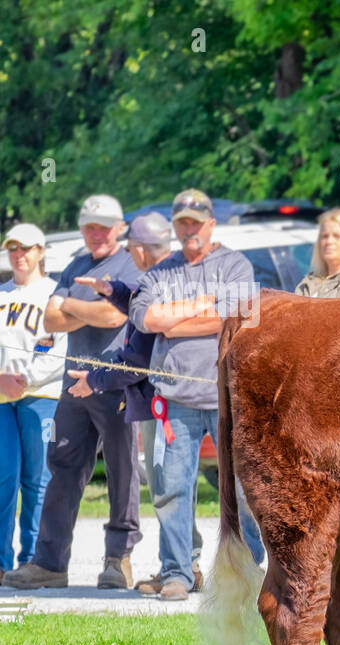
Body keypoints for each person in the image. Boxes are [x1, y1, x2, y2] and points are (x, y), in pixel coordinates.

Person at [4, 195, 143, 591]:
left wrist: (71, 306)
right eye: (89, 226)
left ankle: (118, 560)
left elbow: (115, 314)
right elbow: (49, 318)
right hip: (73, 385)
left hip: (116, 381)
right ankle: (50, 562)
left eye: (103, 226)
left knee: (123, 472)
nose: (95, 233)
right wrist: (82, 307)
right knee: (61, 468)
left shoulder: (130, 264)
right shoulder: (77, 264)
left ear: (119, 228)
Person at [67, 212, 210, 593]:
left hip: (165, 401)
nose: (129, 254)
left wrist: (93, 381)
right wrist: (114, 291)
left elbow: (135, 363)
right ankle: (185, 565)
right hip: (184, 397)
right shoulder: (173, 276)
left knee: (167, 487)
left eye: (131, 248)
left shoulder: (157, 284)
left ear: (142, 250)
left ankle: (180, 569)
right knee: (177, 486)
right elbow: (141, 301)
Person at [130, 189, 261, 600]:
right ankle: (177, 572)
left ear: (211, 224)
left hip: (229, 397)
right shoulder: (160, 272)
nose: (189, 229)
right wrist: (202, 309)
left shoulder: (235, 264)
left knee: (243, 488)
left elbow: (239, 313)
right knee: (171, 489)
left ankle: (245, 567)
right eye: (182, 222)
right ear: (175, 226)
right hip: (173, 398)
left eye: (195, 222)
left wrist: (174, 321)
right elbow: (145, 318)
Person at [0, 224, 61, 581]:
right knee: (4, 477)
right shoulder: (1, 294)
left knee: (38, 479)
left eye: (26, 248)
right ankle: (2, 561)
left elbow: (54, 346)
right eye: (12, 249)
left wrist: (25, 381)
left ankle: (35, 558)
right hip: (2, 397)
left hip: (41, 395)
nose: (19, 255)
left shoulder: (53, 294)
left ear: (40, 251)